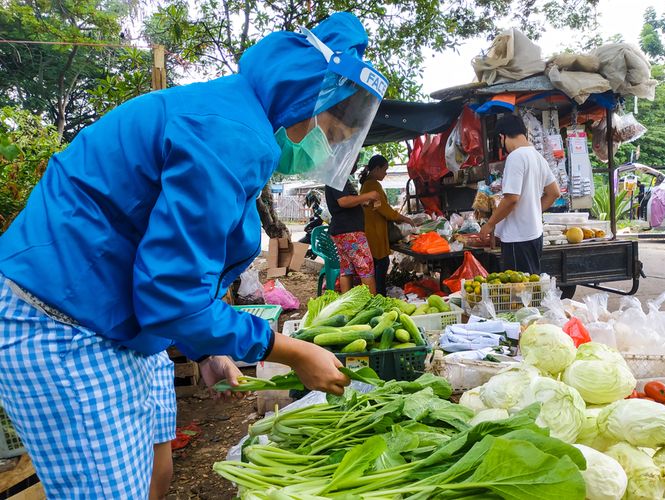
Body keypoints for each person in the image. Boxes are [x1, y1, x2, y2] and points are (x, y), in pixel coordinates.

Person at [0, 12, 388, 499]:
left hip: (117, 322)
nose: (322, 148)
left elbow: (182, 258)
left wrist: (207, 348)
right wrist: (290, 353)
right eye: (326, 133)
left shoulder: (235, 118)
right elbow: (171, 293)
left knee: (154, 473)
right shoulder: (228, 133)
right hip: (64, 321)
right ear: (301, 97)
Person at [479, 114, 561, 274]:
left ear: (502, 137)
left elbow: (511, 199)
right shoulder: (537, 157)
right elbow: (554, 193)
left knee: (519, 292)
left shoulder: (516, 157)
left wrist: (489, 224)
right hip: (534, 235)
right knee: (530, 288)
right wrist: (533, 212)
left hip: (518, 238)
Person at [359, 155, 414, 295]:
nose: (385, 173)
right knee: (381, 263)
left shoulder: (367, 184)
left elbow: (380, 207)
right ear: (377, 169)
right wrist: (404, 218)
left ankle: (377, 294)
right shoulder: (372, 185)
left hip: (372, 229)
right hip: (375, 231)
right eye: (384, 170)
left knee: (379, 264)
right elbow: (384, 209)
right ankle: (380, 295)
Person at [325, 162, 381, 294]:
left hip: (342, 230)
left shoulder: (339, 178)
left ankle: (347, 303)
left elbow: (347, 201)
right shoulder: (336, 176)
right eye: (354, 161)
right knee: (365, 266)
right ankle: (373, 305)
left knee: (346, 269)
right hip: (349, 231)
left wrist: (363, 202)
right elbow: (343, 201)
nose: (355, 165)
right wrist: (368, 195)